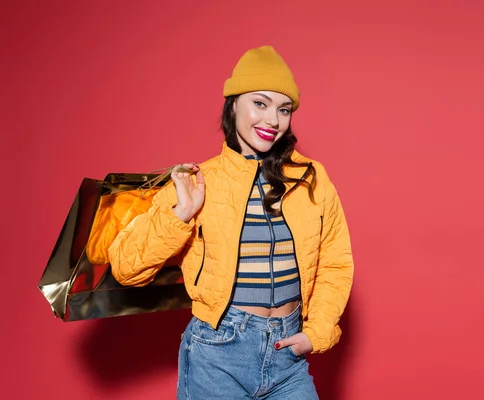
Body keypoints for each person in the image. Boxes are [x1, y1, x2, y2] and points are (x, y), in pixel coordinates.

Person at [108, 45, 354, 399]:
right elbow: (126, 267)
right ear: (234, 103)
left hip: (287, 353)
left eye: (283, 109)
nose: (272, 120)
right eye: (260, 103)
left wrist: (318, 331)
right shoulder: (198, 180)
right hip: (217, 352)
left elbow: (335, 261)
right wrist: (180, 215)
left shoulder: (311, 178)